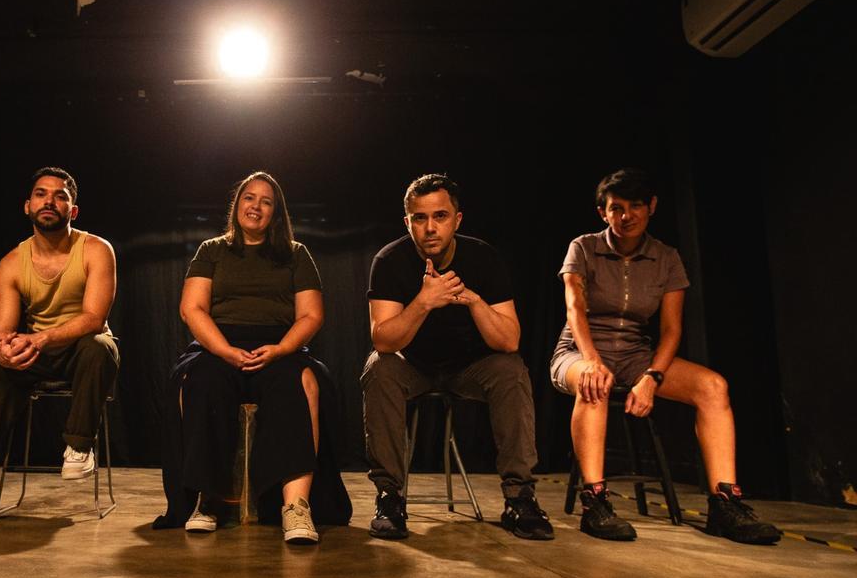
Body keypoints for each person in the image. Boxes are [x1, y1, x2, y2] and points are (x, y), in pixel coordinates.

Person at [551, 168, 780, 544]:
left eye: (636, 206)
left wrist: (652, 378)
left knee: (713, 387)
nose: (626, 217)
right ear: (602, 213)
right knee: (595, 385)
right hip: (579, 349)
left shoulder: (666, 258)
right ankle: (594, 503)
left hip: (637, 355)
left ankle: (724, 505)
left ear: (651, 207)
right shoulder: (583, 247)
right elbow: (574, 309)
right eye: (616, 208)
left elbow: (672, 330)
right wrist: (591, 360)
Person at [159, 171, 351, 544]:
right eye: (249, 198)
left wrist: (281, 349)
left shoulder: (296, 254)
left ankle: (295, 508)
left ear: (276, 213)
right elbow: (193, 309)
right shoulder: (212, 251)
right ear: (237, 205)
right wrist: (224, 350)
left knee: (298, 382)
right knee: (200, 380)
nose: (256, 206)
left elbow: (311, 316)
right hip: (219, 343)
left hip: (279, 345)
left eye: (266, 201)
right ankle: (208, 500)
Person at [362, 173, 553, 541]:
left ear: (457, 219)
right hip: (413, 365)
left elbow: (510, 339)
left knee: (510, 369)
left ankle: (520, 498)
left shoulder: (483, 258)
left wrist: (474, 300)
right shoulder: (389, 260)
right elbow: (383, 340)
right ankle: (389, 497)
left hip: (470, 367)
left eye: (440, 216)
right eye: (420, 218)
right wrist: (424, 302)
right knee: (379, 368)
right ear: (408, 222)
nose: (430, 228)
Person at [0, 167, 119, 530]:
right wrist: (2, 351)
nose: (49, 201)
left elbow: (93, 317)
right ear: (27, 206)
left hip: (80, 350)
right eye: (41, 194)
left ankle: (78, 446)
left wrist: (40, 338)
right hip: (37, 354)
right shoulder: (11, 262)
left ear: (73, 211)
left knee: (100, 346)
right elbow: (1, 332)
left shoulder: (96, 249)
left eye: (60, 196)